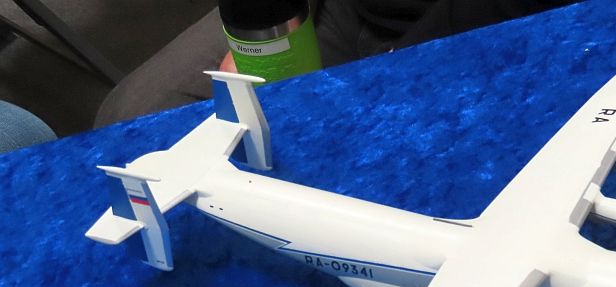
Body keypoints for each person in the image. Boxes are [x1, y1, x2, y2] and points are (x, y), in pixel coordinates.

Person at [95, 0, 575, 127]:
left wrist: (405, 67)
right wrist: (263, 31)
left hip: (494, 20)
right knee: (137, 114)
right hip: (344, 10)